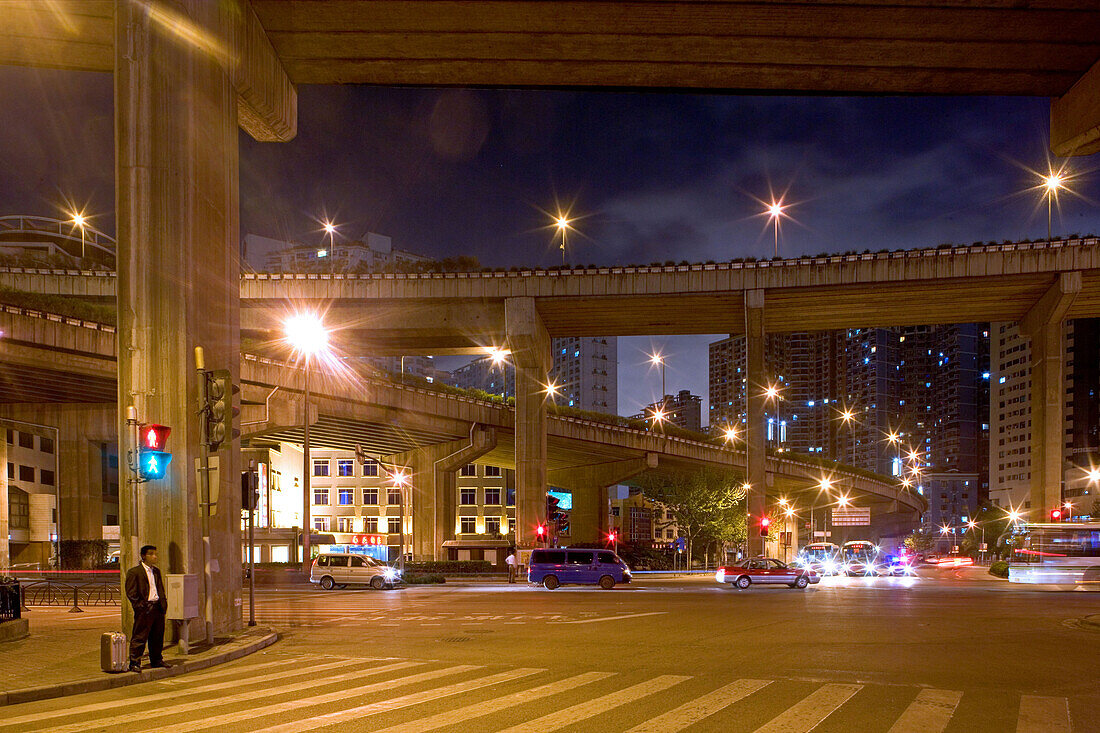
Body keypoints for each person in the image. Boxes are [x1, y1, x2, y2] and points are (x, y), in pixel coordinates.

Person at [124, 544, 169, 673]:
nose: (155, 556)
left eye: (155, 554)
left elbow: (160, 588)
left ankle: (156, 660)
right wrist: (140, 606)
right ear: (144, 556)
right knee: (140, 636)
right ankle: (134, 662)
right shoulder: (134, 572)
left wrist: (163, 604)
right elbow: (131, 592)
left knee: (157, 636)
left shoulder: (156, 571)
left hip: (157, 608)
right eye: (151, 554)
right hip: (145, 609)